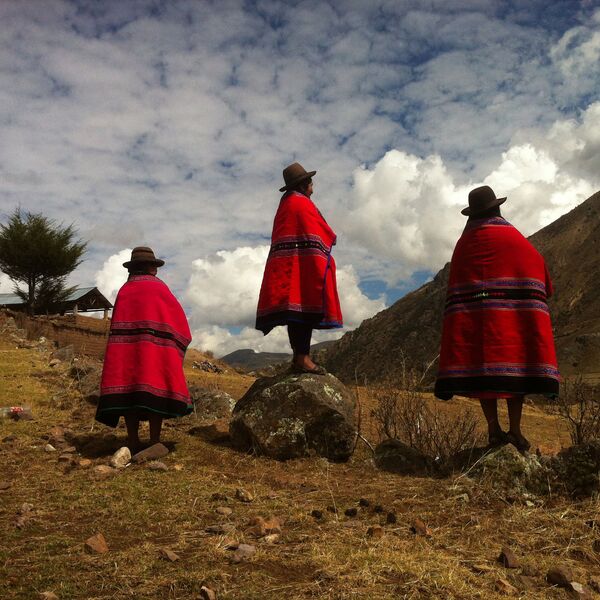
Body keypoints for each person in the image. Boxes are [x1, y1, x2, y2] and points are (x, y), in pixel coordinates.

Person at [434, 186, 559, 453]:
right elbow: (537, 265)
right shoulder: (513, 237)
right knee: (516, 371)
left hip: (476, 322)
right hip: (511, 319)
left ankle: (493, 430)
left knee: (484, 372)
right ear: (497, 208)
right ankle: (515, 429)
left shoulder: (464, 243)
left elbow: (458, 277)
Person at [95, 246, 192, 451]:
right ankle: (154, 441)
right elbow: (178, 320)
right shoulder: (159, 288)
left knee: (130, 396)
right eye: (154, 266)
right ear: (151, 267)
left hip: (127, 354)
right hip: (154, 353)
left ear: (133, 268)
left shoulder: (124, 290)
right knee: (152, 394)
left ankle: (132, 440)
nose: (156, 270)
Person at [256, 162, 343, 374]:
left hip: (288, 267)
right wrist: (329, 237)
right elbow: (320, 231)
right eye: (311, 184)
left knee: (296, 312)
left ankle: (298, 357)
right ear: (304, 185)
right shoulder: (300, 204)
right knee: (302, 309)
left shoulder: (286, 204)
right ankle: (302, 358)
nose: (313, 188)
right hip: (300, 267)